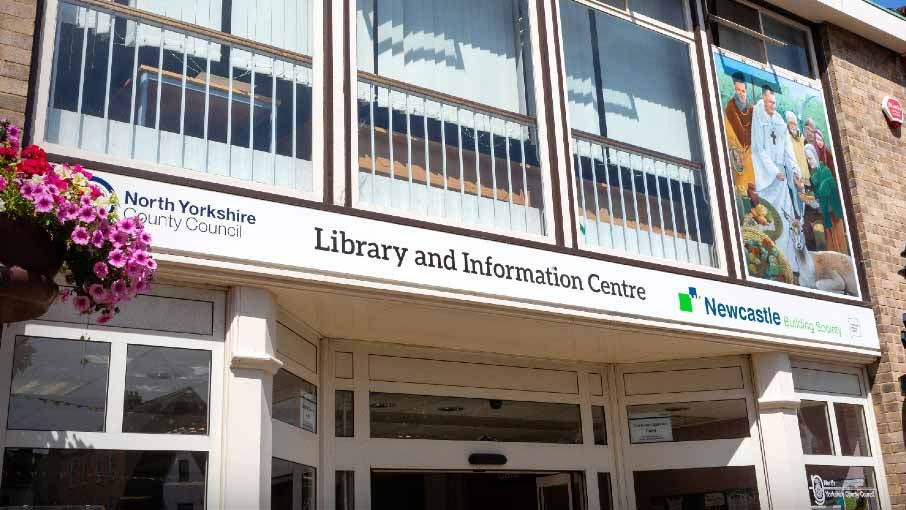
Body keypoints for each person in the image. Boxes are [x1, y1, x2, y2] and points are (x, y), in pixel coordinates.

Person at [752, 86, 806, 273]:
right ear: (763, 99)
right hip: (767, 177)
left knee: (786, 216)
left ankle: (790, 263)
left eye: (775, 102)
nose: (773, 105)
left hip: (782, 177)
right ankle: (768, 263)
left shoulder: (780, 121)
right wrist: (774, 171)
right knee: (768, 219)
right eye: (770, 102)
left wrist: (795, 171)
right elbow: (758, 149)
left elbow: (788, 151)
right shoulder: (758, 118)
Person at [805, 144, 848, 254]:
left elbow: (829, 190)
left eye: (810, 158)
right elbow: (816, 194)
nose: (809, 162)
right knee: (829, 239)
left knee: (838, 236)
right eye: (807, 159)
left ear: (815, 156)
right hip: (824, 211)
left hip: (832, 209)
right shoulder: (812, 176)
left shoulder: (825, 170)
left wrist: (817, 199)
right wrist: (812, 200)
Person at [723, 73, 755, 192]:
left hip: (751, 157)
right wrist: (736, 151)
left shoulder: (752, 110)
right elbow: (729, 135)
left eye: (743, 90)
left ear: (746, 91)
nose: (741, 93)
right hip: (738, 157)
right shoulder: (730, 109)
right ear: (735, 91)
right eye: (738, 90)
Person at [786, 111, 810, 183]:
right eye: (791, 123)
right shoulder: (786, 136)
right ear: (787, 124)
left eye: (794, 123)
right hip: (794, 169)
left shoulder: (800, 135)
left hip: (804, 168)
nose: (793, 125)